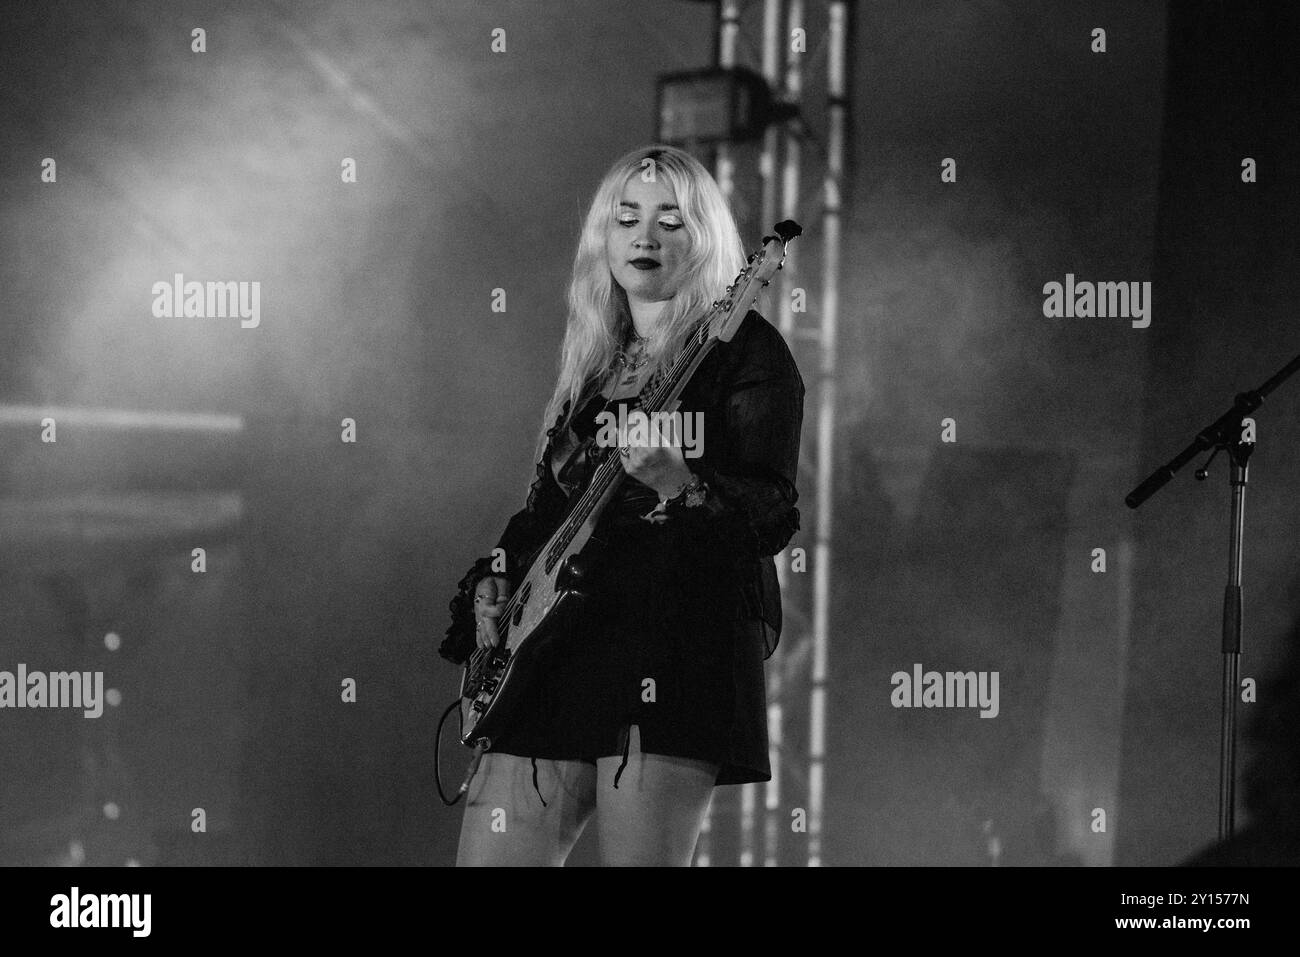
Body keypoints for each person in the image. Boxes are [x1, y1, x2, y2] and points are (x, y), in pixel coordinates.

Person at [439, 144, 805, 866]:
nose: (646, 236)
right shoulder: (594, 365)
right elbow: (544, 511)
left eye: (671, 219)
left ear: (704, 239)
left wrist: (681, 483)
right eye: (627, 217)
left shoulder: (747, 353)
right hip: (557, 647)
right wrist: (497, 577)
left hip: (669, 648)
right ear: (601, 237)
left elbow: (771, 513)